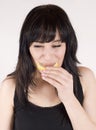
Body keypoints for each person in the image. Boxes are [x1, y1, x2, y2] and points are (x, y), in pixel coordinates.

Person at [0, 4, 96, 130]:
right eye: (38, 46)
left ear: (68, 46)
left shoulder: (85, 78)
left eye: (56, 46)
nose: (48, 57)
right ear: (27, 49)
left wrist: (69, 98)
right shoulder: (11, 86)